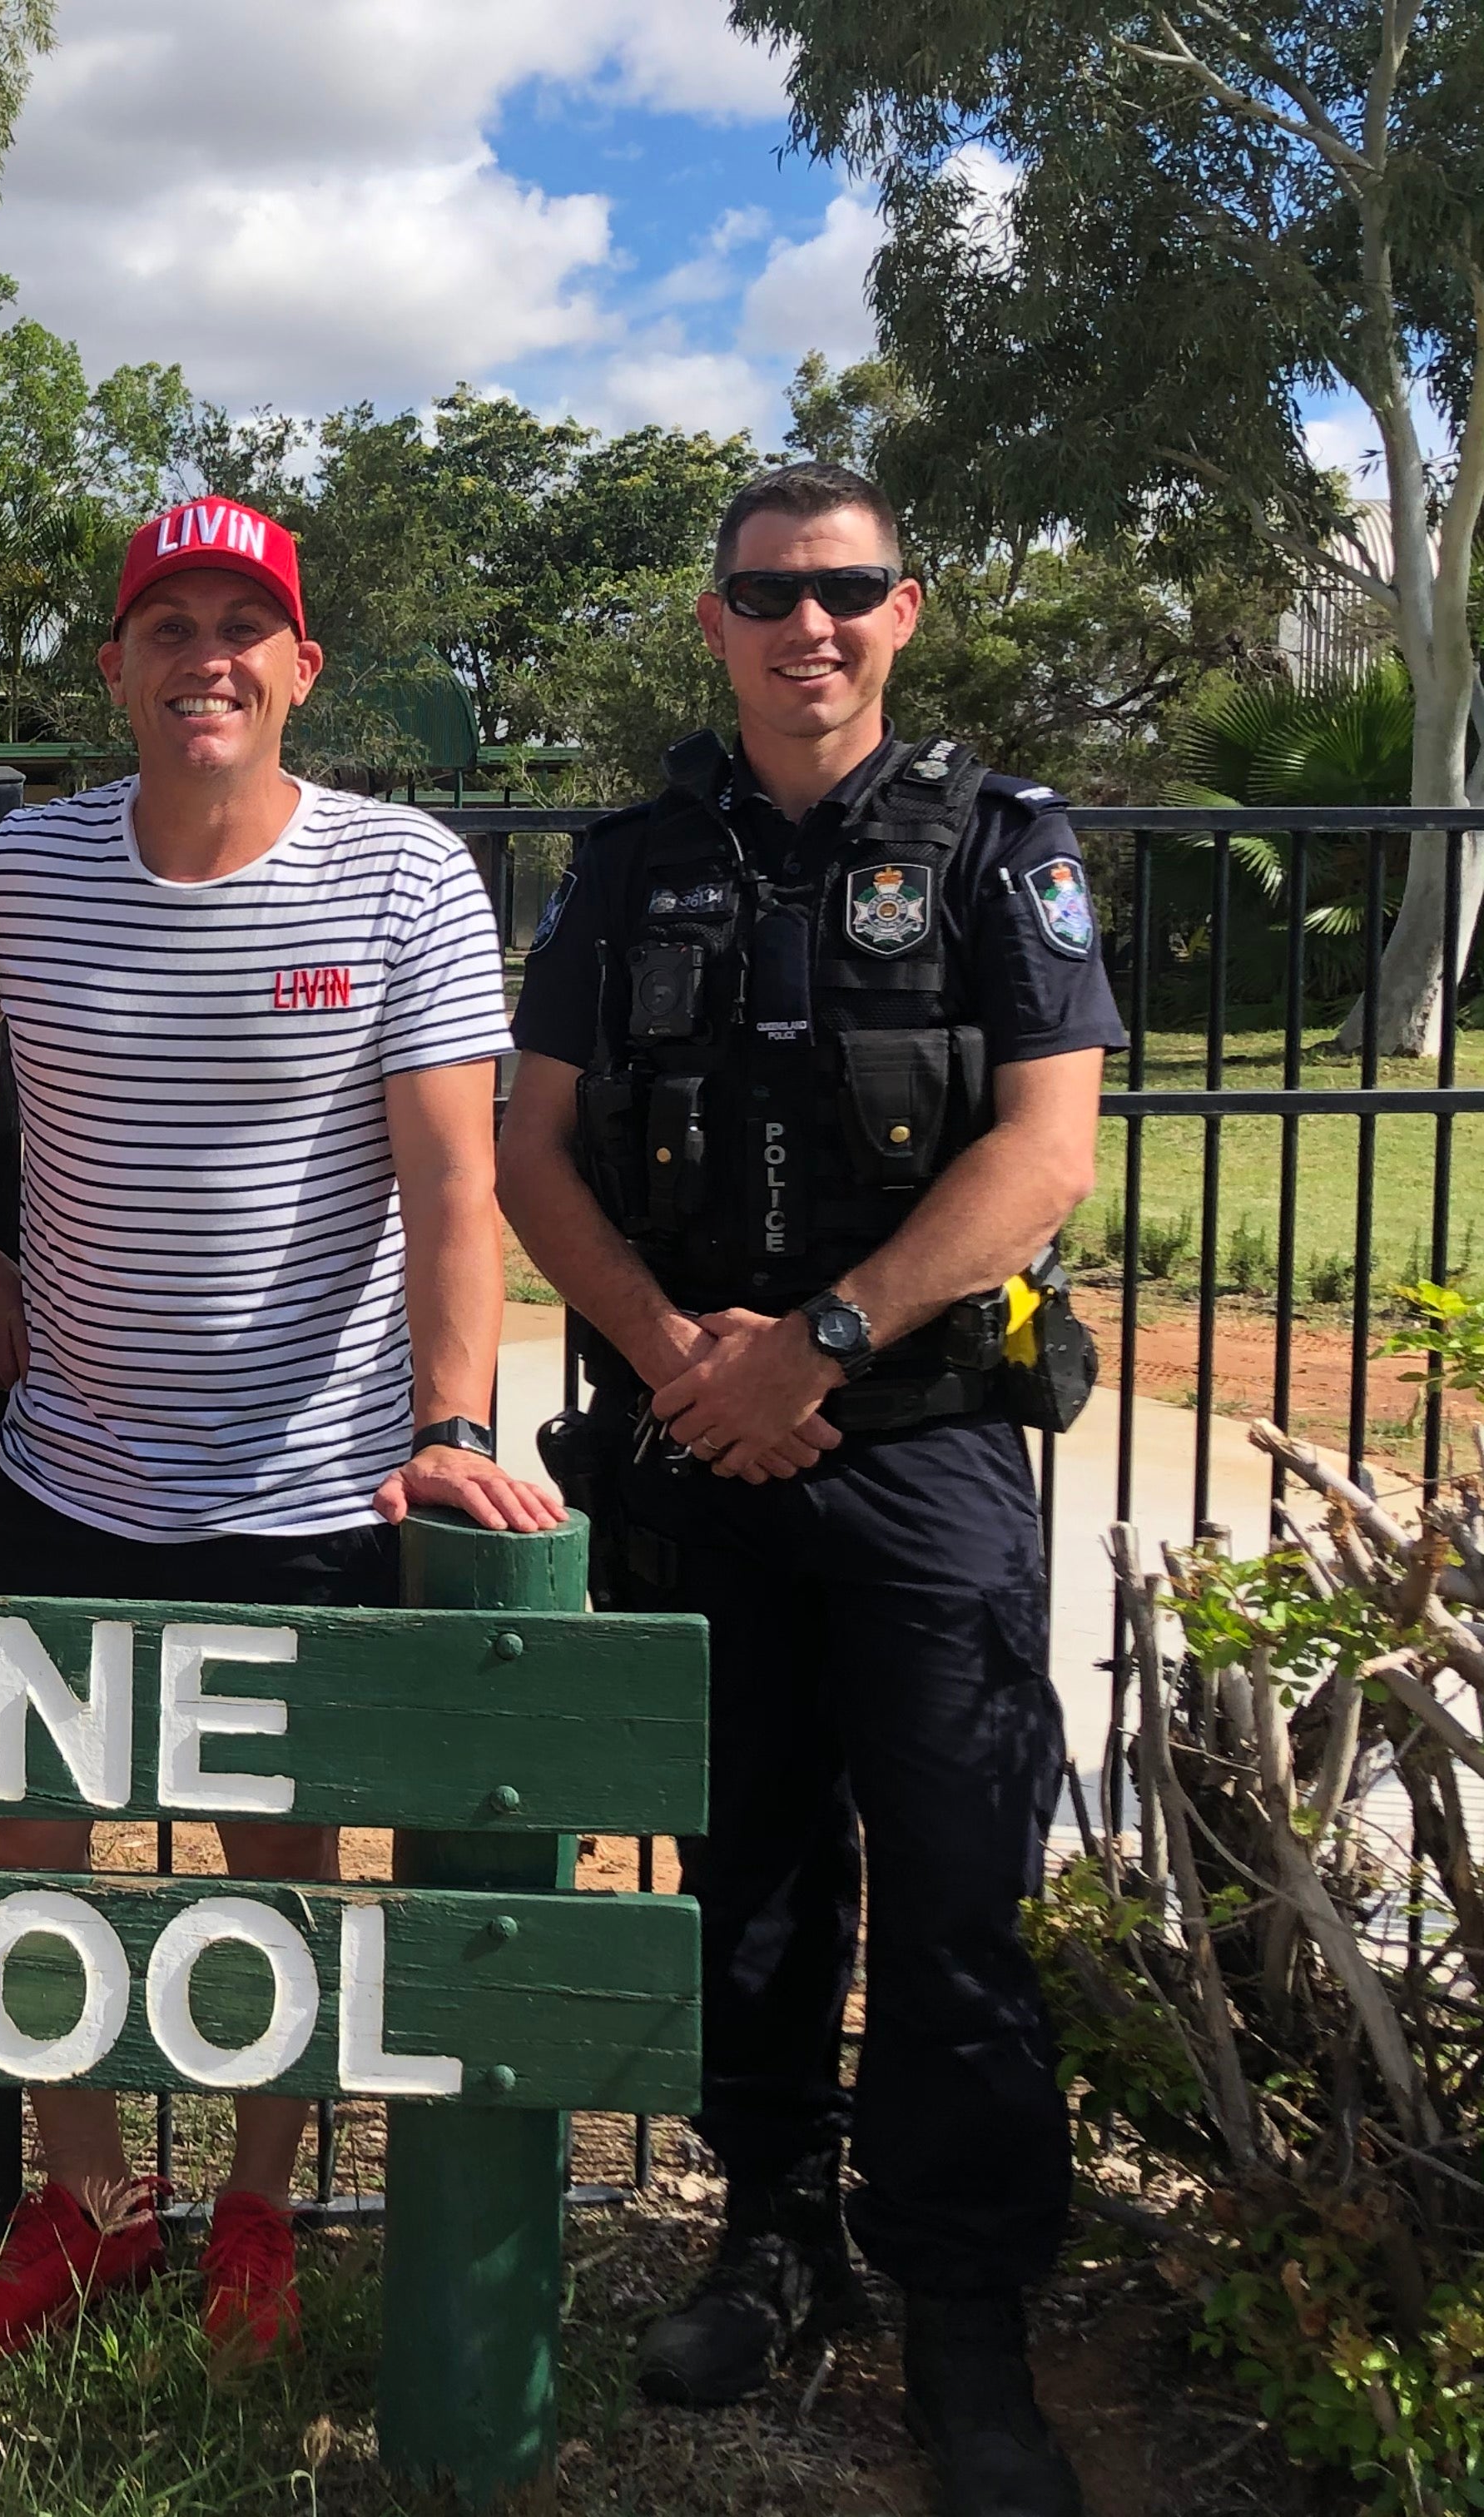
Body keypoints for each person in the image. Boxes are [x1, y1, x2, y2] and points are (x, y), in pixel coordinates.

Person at [494, 461, 1112, 2517]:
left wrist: (815, 1346)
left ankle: (965, 2316)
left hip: (920, 1441)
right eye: (769, 593)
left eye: (845, 589)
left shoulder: (998, 848)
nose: (807, 626)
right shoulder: (625, 868)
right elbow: (534, 1150)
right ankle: (776, 2240)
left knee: (953, 1899)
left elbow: (1039, 1155)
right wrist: (687, 1362)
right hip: (700, 1444)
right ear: (717, 620)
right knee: (748, 1874)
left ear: (907, 609)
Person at [0, 495, 562, 2372]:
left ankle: (260, 2206)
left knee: (279, 1853)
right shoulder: (26, 875)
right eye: (168, 627)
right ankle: (91, 2203)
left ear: (300, 669)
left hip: (312, 1475)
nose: (208, 658)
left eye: (241, 628)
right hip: (69, 1457)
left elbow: (453, 1176)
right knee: (19, 1837)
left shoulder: (404, 876)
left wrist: (449, 1419)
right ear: (115, 670)